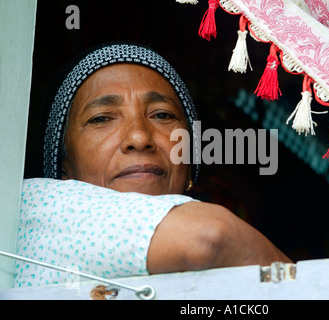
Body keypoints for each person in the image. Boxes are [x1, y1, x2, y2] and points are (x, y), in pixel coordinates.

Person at [15, 42, 291, 288]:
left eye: (162, 115)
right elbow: (212, 237)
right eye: (101, 118)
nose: (139, 137)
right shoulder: (31, 206)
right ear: (63, 166)